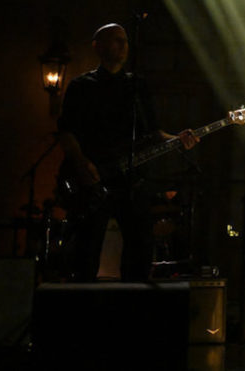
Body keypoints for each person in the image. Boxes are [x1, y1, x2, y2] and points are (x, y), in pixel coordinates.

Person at [57, 23, 198, 281]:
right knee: (86, 250)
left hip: (131, 180)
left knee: (140, 247)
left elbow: (154, 132)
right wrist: (81, 164)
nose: (123, 46)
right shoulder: (82, 86)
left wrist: (178, 139)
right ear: (97, 47)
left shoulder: (136, 86)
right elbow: (66, 132)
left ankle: (132, 306)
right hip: (93, 179)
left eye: (125, 41)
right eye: (115, 40)